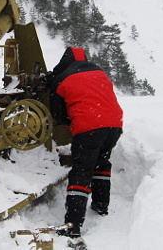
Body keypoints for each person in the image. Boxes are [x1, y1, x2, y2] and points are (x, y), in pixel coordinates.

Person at [45, 47, 123, 244]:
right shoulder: (98, 72)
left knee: (81, 172)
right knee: (102, 164)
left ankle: (72, 226)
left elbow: (58, 115)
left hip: (89, 127)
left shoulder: (62, 78)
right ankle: (101, 205)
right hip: (114, 124)